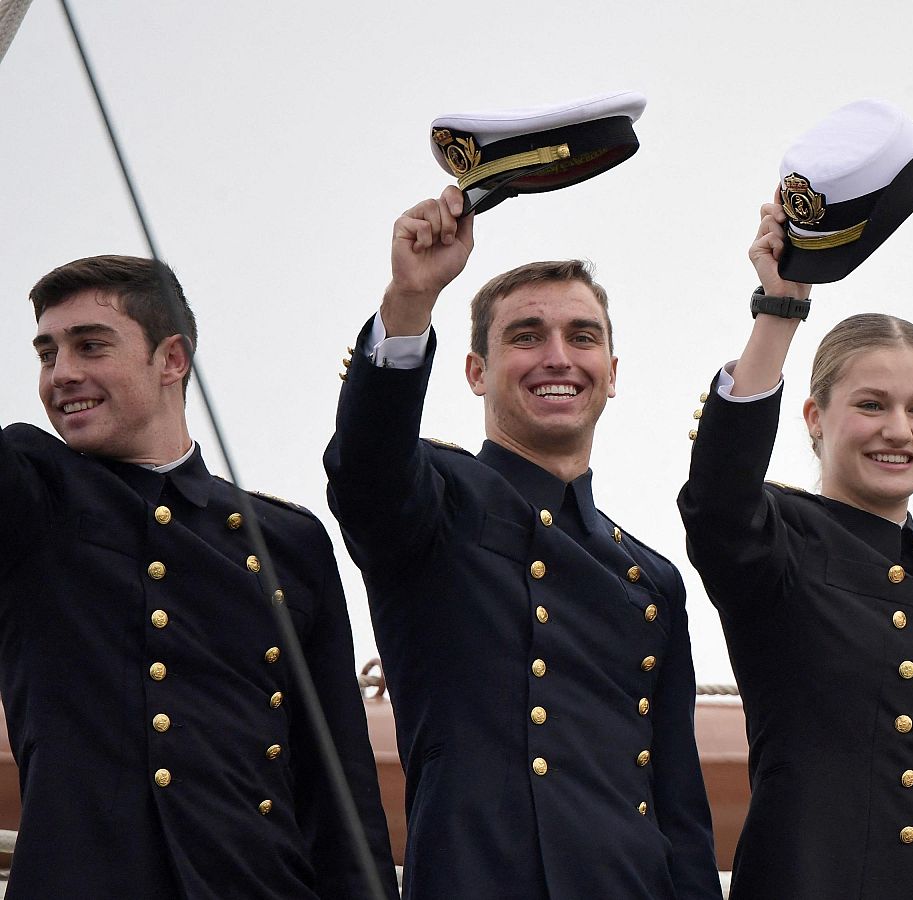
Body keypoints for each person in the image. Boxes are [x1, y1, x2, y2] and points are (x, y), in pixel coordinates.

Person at [324, 186, 719, 900]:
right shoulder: (435, 504)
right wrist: (411, 299)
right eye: (527, 337)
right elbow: (367, 464)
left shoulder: (651, 579)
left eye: (583, 337)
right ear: (476, 371)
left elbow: (679, 813)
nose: (558, 357)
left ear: (612, 374)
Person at [2, 255, 396, 898]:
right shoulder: (33, 494)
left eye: (90, 346)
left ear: (172, 359)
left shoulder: (287, 541)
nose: (61, 373)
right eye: (47, 354)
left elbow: (338, 788)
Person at [677, 200, 913, 899]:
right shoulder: (781, 543)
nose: (900, 430)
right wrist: (780, 309)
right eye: (871, 404)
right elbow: (719, 500)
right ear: (815, 418)